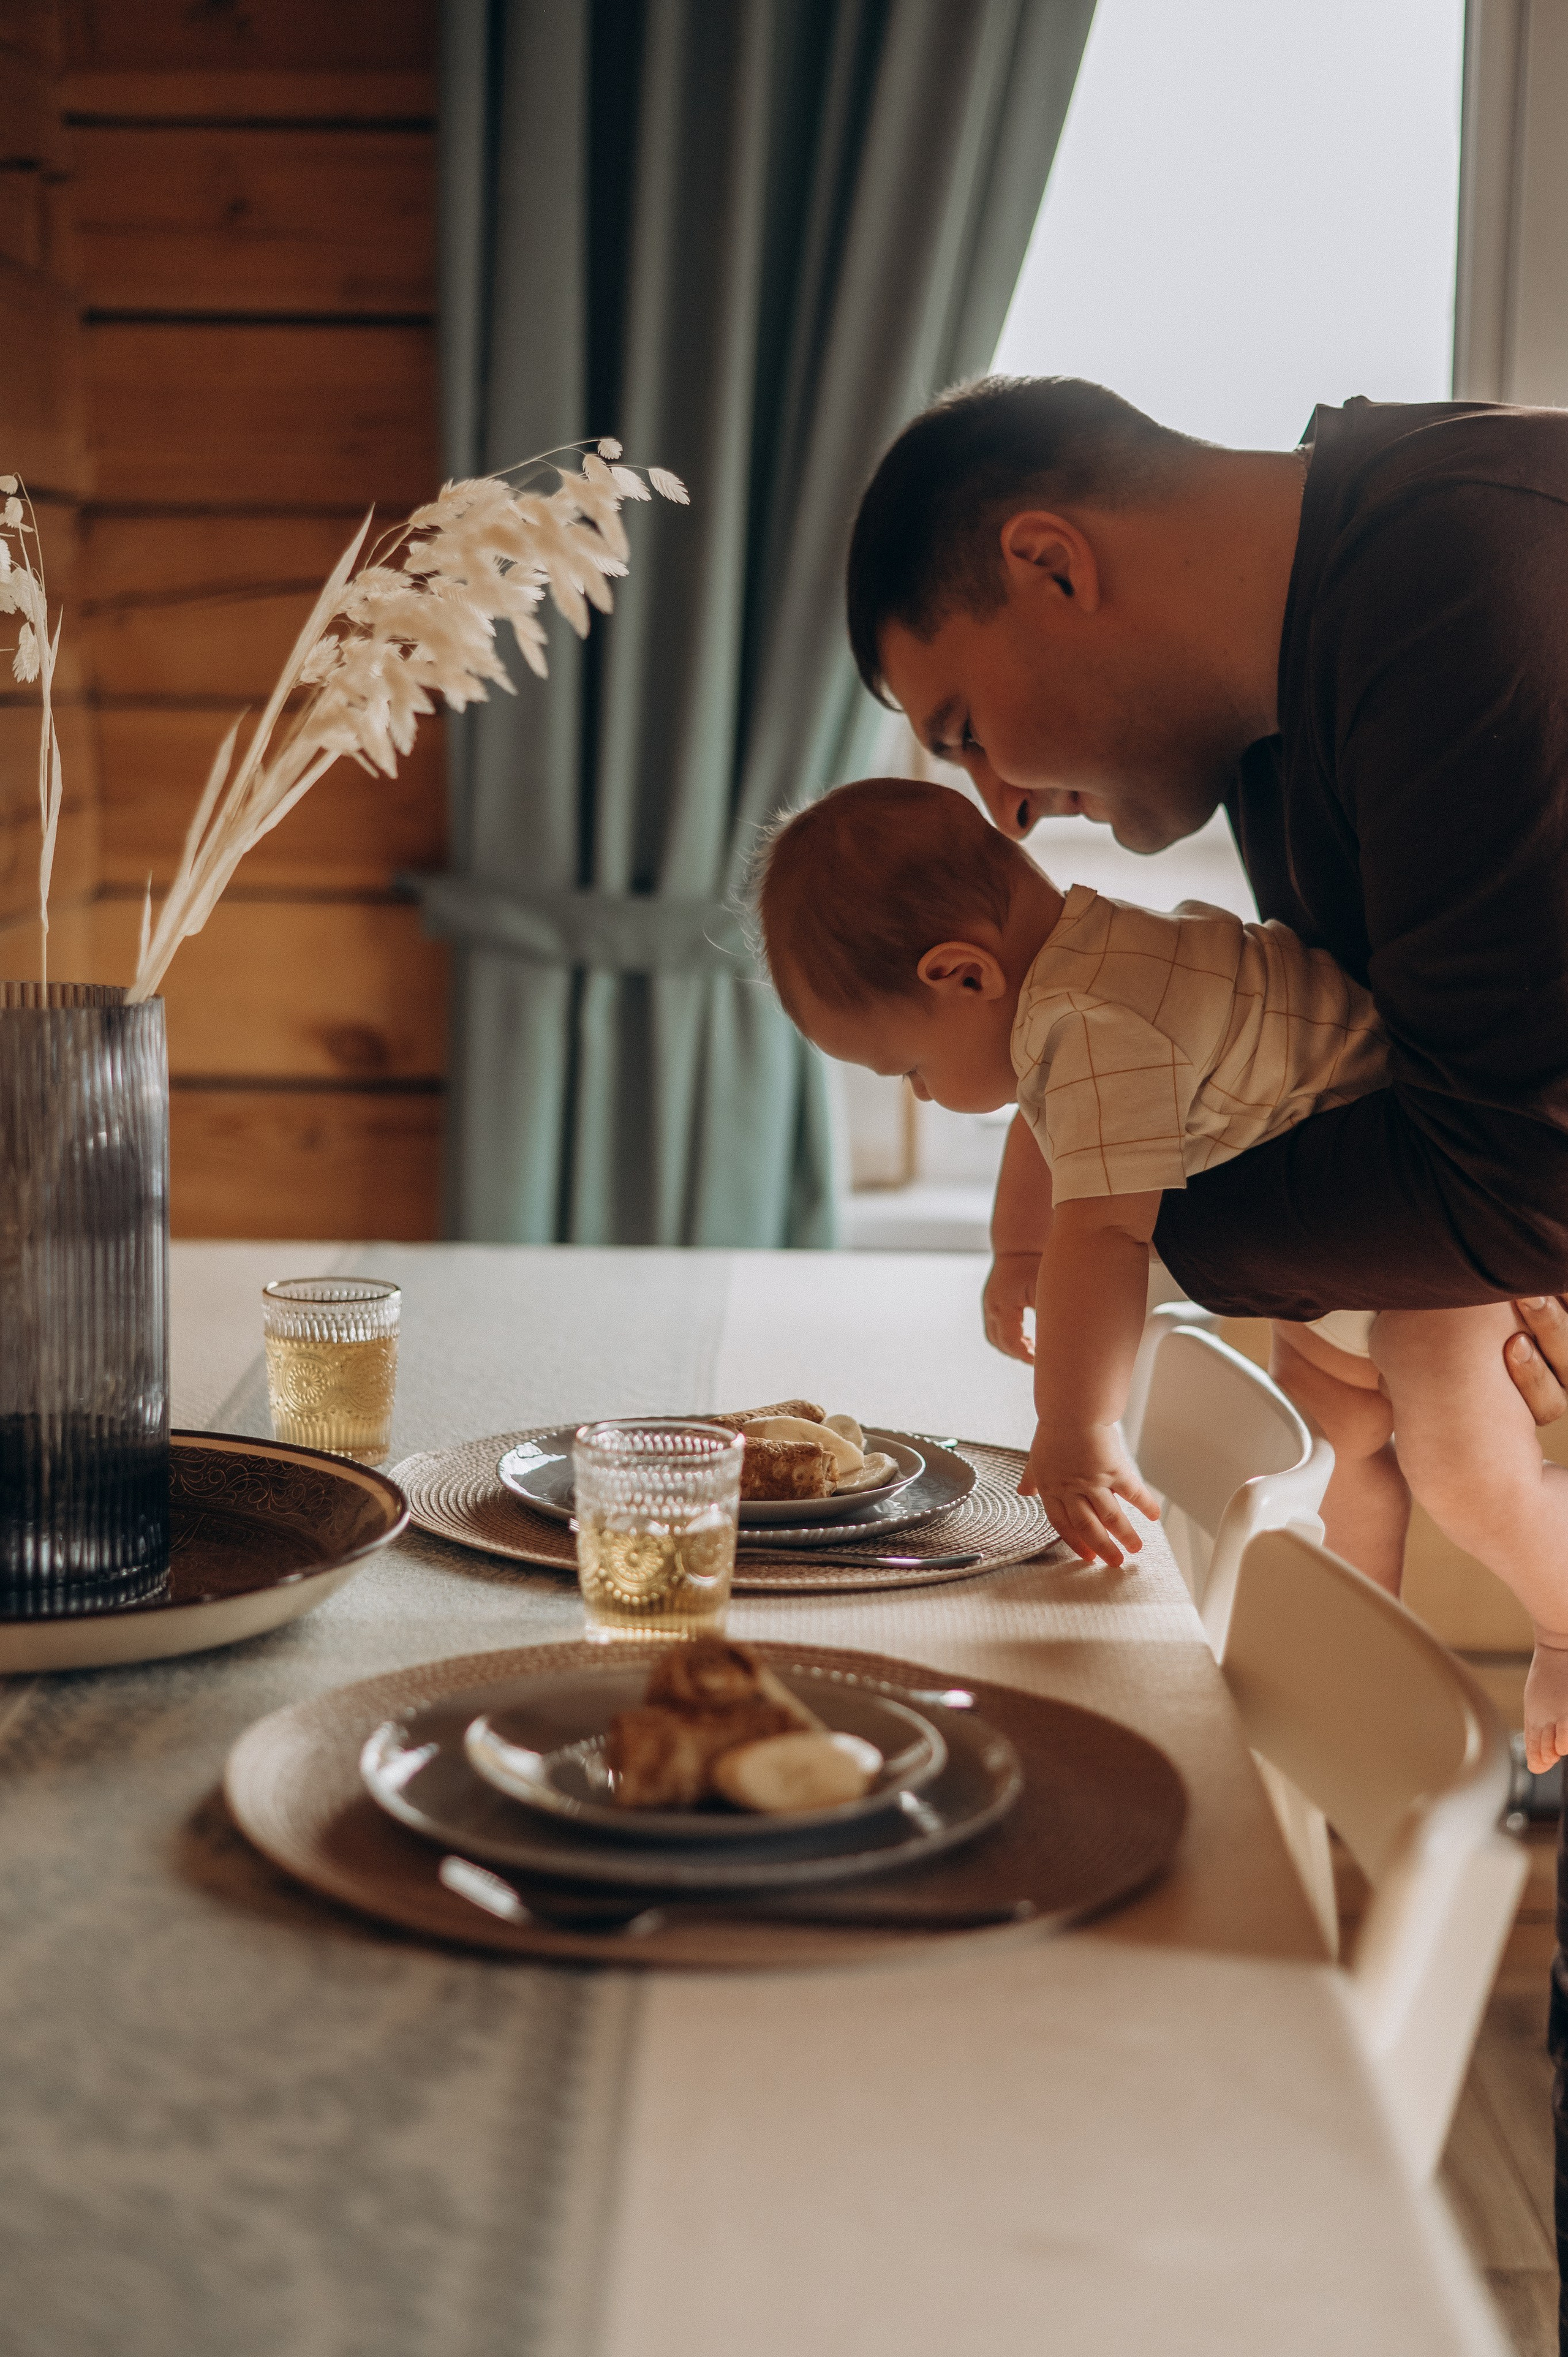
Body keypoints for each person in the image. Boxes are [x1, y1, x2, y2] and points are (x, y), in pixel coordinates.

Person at [840, 374, 1568, 2348]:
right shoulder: (1302, 697)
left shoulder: (1464, 582)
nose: (998, 809)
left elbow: (1520, 1170)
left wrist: (1135, 1224)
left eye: (964, 729)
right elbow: (1414, 1103)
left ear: (1050, 562)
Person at [756, 775, 1568, 1770]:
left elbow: (1107, 1236)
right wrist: (1018, 1252)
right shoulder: (1082, 982)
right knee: (1339, 1453)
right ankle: (1359, 1680)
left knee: (1463, 1470)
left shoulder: (1097, 1019)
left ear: (963, 975)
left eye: (909, 1071)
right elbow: (1049, 1119)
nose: (922, 1097)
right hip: (1347, 1241)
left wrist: (1077, 1428)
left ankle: (1562, 1623)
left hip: (1427, 1230)